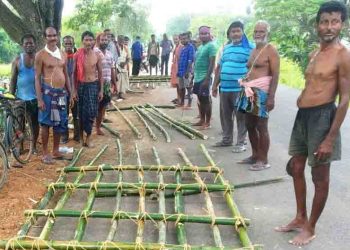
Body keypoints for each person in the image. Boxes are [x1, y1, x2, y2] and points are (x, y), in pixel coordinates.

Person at [275, 1, 350, 246]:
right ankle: (300, 217)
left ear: (342, 24)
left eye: (335, 21)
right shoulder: (315, 52)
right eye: (324, 21)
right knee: (296, 168)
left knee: (320, 176)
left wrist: (329, 137)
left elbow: (345, 98)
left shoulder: (343, 56)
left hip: (322, 118)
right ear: (317, 24)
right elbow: (311, 85)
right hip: (303, 117)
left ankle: (311, 227)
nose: (329, 27)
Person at [237, 21, 280, 171]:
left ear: (267, 33)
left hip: (262, 93)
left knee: (262, 126)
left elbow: (275, 75)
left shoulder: (271, 50)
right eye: (256, 31)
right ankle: (255, 155)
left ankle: (264, 159)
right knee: (249, 124)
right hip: (249, 92)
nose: (257, 34)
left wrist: (271, 97)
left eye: (261, 31)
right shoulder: (254, 50)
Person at [212, 21, 254, 152]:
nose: (235, 34)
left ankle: (241, 143)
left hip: (240, 89)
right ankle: (227, 139)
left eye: (238, 31)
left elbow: (253, 67)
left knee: (241, 116)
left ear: (242, 32)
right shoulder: (226, 48)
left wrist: (250, 86)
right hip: (225, 88)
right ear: (229, 34)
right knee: (225, 116)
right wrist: (214, 85)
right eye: (233, 31)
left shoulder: (250, 48)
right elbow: (220, 68)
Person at [35, 27, 73, 164]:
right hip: (47, 94)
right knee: (45, 124)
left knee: (60, 123)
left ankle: (56, 150)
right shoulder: (40, 55)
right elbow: (37, 78)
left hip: (61, 94)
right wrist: (39, 99)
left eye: (54, 35)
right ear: (45, 37)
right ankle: (45, 152)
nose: (52, 38)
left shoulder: (63, 54)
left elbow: (66, 75)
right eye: (49, 36)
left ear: (57, 36)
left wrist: (71, 92)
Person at [10, 34, 39, 155]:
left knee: (35, 124)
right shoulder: (17, 60)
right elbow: (13, 80)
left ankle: (34, 146)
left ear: (35, 44)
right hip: (20, 98)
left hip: (36, 98)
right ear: (22, 45)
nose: (29, 45)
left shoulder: (39, 59)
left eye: (31, 43)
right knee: (19, 124)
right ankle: (20, 146)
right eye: (26, 43)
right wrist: (11, 97)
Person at [73, 31, 103, 147]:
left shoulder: (97, 55)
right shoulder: (77, 55)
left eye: (91, 40)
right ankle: (80, 137)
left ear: (94, 42)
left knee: (91, 112)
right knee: (80, 113)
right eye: (86, 40)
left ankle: (89, 137)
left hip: (93, 86)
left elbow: (100, 73)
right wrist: (74, 90)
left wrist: (100, 90)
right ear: (82, 41)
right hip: (80, 86)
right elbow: (73, 74)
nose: (89, 42)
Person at [192, 26, 217, 129]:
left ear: (210, 34)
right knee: (200, 99)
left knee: (206, 100)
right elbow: (196, 63)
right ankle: (202, 119)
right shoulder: (200, 47)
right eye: (201, 33)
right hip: (197, 77)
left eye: (205, 33)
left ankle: (207, 122)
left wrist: (207, 78)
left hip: (204, 77)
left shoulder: (211, 46)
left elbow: (212, 63)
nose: (203, 35)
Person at [95, 33, 116, 135]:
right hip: (95, 83)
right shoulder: (94, 52)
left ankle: (98, 127)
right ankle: (92, 127)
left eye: (106, 40)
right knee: (95, 106)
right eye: (102, 40)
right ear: (98, 41)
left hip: (107, 84)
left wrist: (114, 83)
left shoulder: (109, 54)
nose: (104, 42)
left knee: (103, 106)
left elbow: (112, 69)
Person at [61, 35, 80, 143]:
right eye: (66, 43)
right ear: (63, 44)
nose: (68, 45)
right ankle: (64, 136)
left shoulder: (76, 57)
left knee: (76, 114)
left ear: (73, 44)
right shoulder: (59, 56)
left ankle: (77, 135)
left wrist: (74, 90)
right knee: (63, 114)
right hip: (62, 90)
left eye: (70, 43)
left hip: (75, 89)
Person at [177, 32, 195, 108]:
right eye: (182, 39)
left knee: (189, 87)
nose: (183, 40)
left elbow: (190, 60)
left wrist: (187, 72)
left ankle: (189, 104)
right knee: (181, 88)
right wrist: (178, 71)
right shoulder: (183, 48)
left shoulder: (191, 47)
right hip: (181, 72)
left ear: (188, 39)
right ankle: (182, 103)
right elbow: (180, 60)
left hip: (187, 71)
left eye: (185, 39)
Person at [116, 35, 130, 100]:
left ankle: (120, 94)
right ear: (118, 40)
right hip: (116, 66)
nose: (121, 41)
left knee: (123, 81)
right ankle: (116, 94)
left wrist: (124, 63)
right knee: (116, 81)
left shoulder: (126, 48)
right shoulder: (115, 47)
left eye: (122, 40)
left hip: (123, 67)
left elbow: (128, 58)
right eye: (120, 39)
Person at [170, 34, 183, 103]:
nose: (175, 40)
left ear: (179, 39)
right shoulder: (176, 47)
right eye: (174, 39)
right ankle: (178, 98)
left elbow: (181, 58)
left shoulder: (181, 47)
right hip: (175, 66)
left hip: (179, 67)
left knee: (179, 84)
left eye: (176, 39)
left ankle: (180, 99)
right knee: (177, 84)